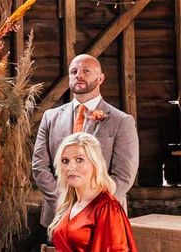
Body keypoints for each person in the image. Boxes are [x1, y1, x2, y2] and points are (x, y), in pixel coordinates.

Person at [32, 53, 139, 236]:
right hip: (58, 215)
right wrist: (63, 202)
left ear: (100, 78)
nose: (78, 75)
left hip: (103, 216)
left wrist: (91, 207)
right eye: (74, 71)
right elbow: (39, 166)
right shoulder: (50, 117)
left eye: (86, 71)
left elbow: (124, 175)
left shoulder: (121, 121)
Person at [49, 132, 139, 252]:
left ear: (95, 164)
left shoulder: (108, 207)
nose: (70, 167)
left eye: (79, 160)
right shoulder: (68, 204)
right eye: (65, 161)